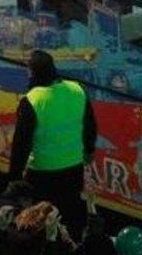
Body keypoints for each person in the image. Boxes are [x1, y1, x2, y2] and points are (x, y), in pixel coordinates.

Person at [7, 49, 97, 231]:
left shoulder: (32, 101)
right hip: (73, 169)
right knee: (70, 214)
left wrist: (14, 177)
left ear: (33, 73)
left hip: (42, 173)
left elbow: (21, 145)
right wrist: (88, 152)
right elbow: (90, 126)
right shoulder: (77, 90)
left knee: (41, 219)